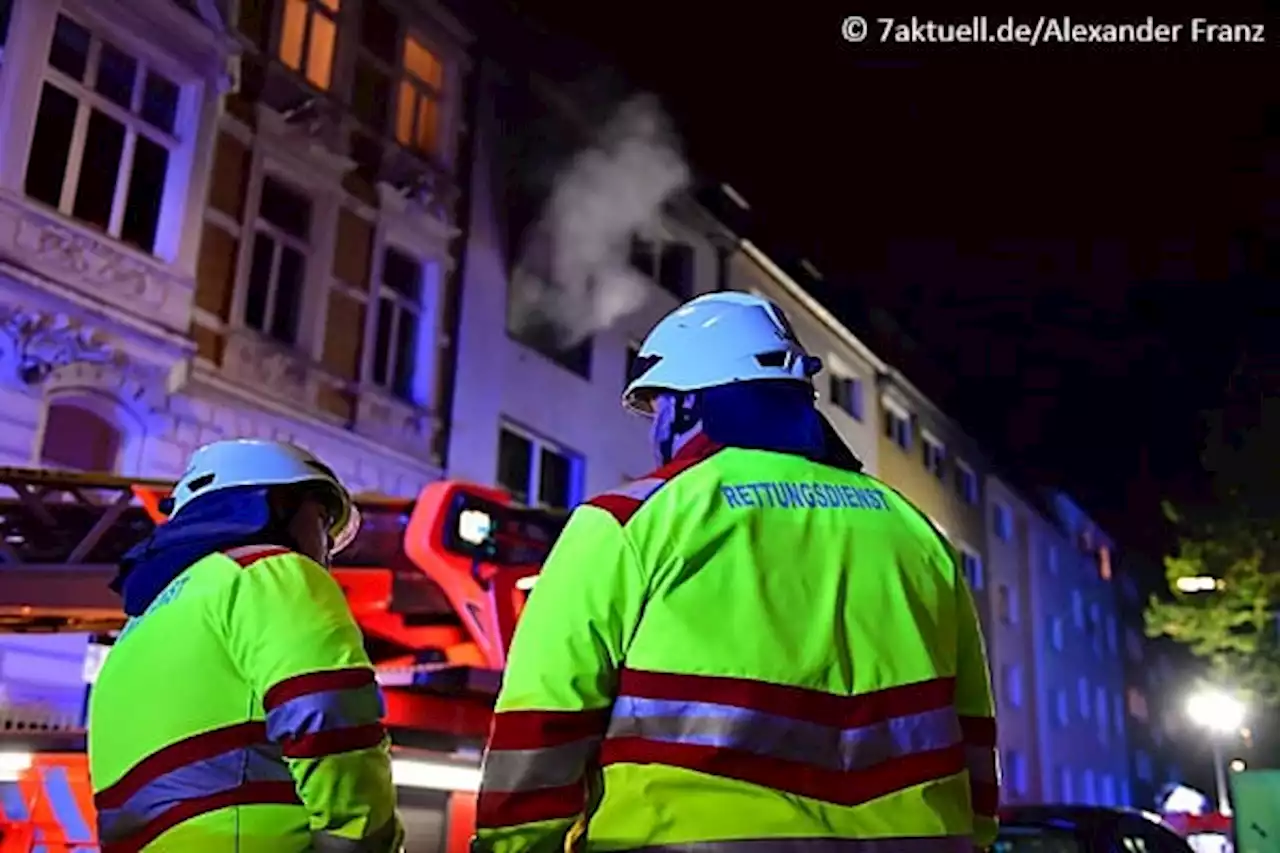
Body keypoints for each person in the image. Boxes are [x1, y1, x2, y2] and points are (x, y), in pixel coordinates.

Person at [473, 292, 999, 853]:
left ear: (688, 406)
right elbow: (972, 737)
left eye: (657, 409)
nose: (654, 433)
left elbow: (544, 718)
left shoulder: (630, 521)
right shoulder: (916, 534)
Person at [88, 439, 403, 852]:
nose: (326, 549)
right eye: (322, 519)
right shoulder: (267, 570)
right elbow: (330, 713)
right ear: (277, 504)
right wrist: (361, 838)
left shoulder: (139, 628)